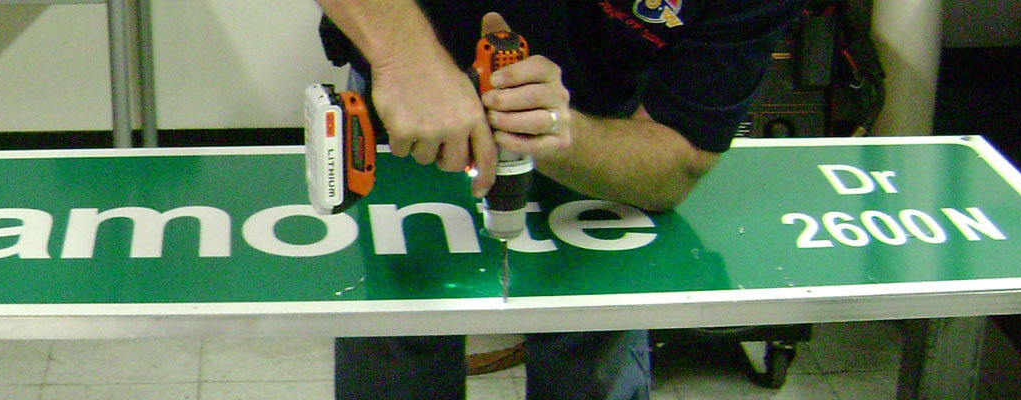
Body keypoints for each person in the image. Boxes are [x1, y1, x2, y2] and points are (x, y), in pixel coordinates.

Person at [313, 1, 807, 399]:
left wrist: (562, 136)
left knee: (591, 350)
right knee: (400, 338)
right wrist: (404, 57)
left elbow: (679, 159)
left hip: (597, 121)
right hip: (407, 102)